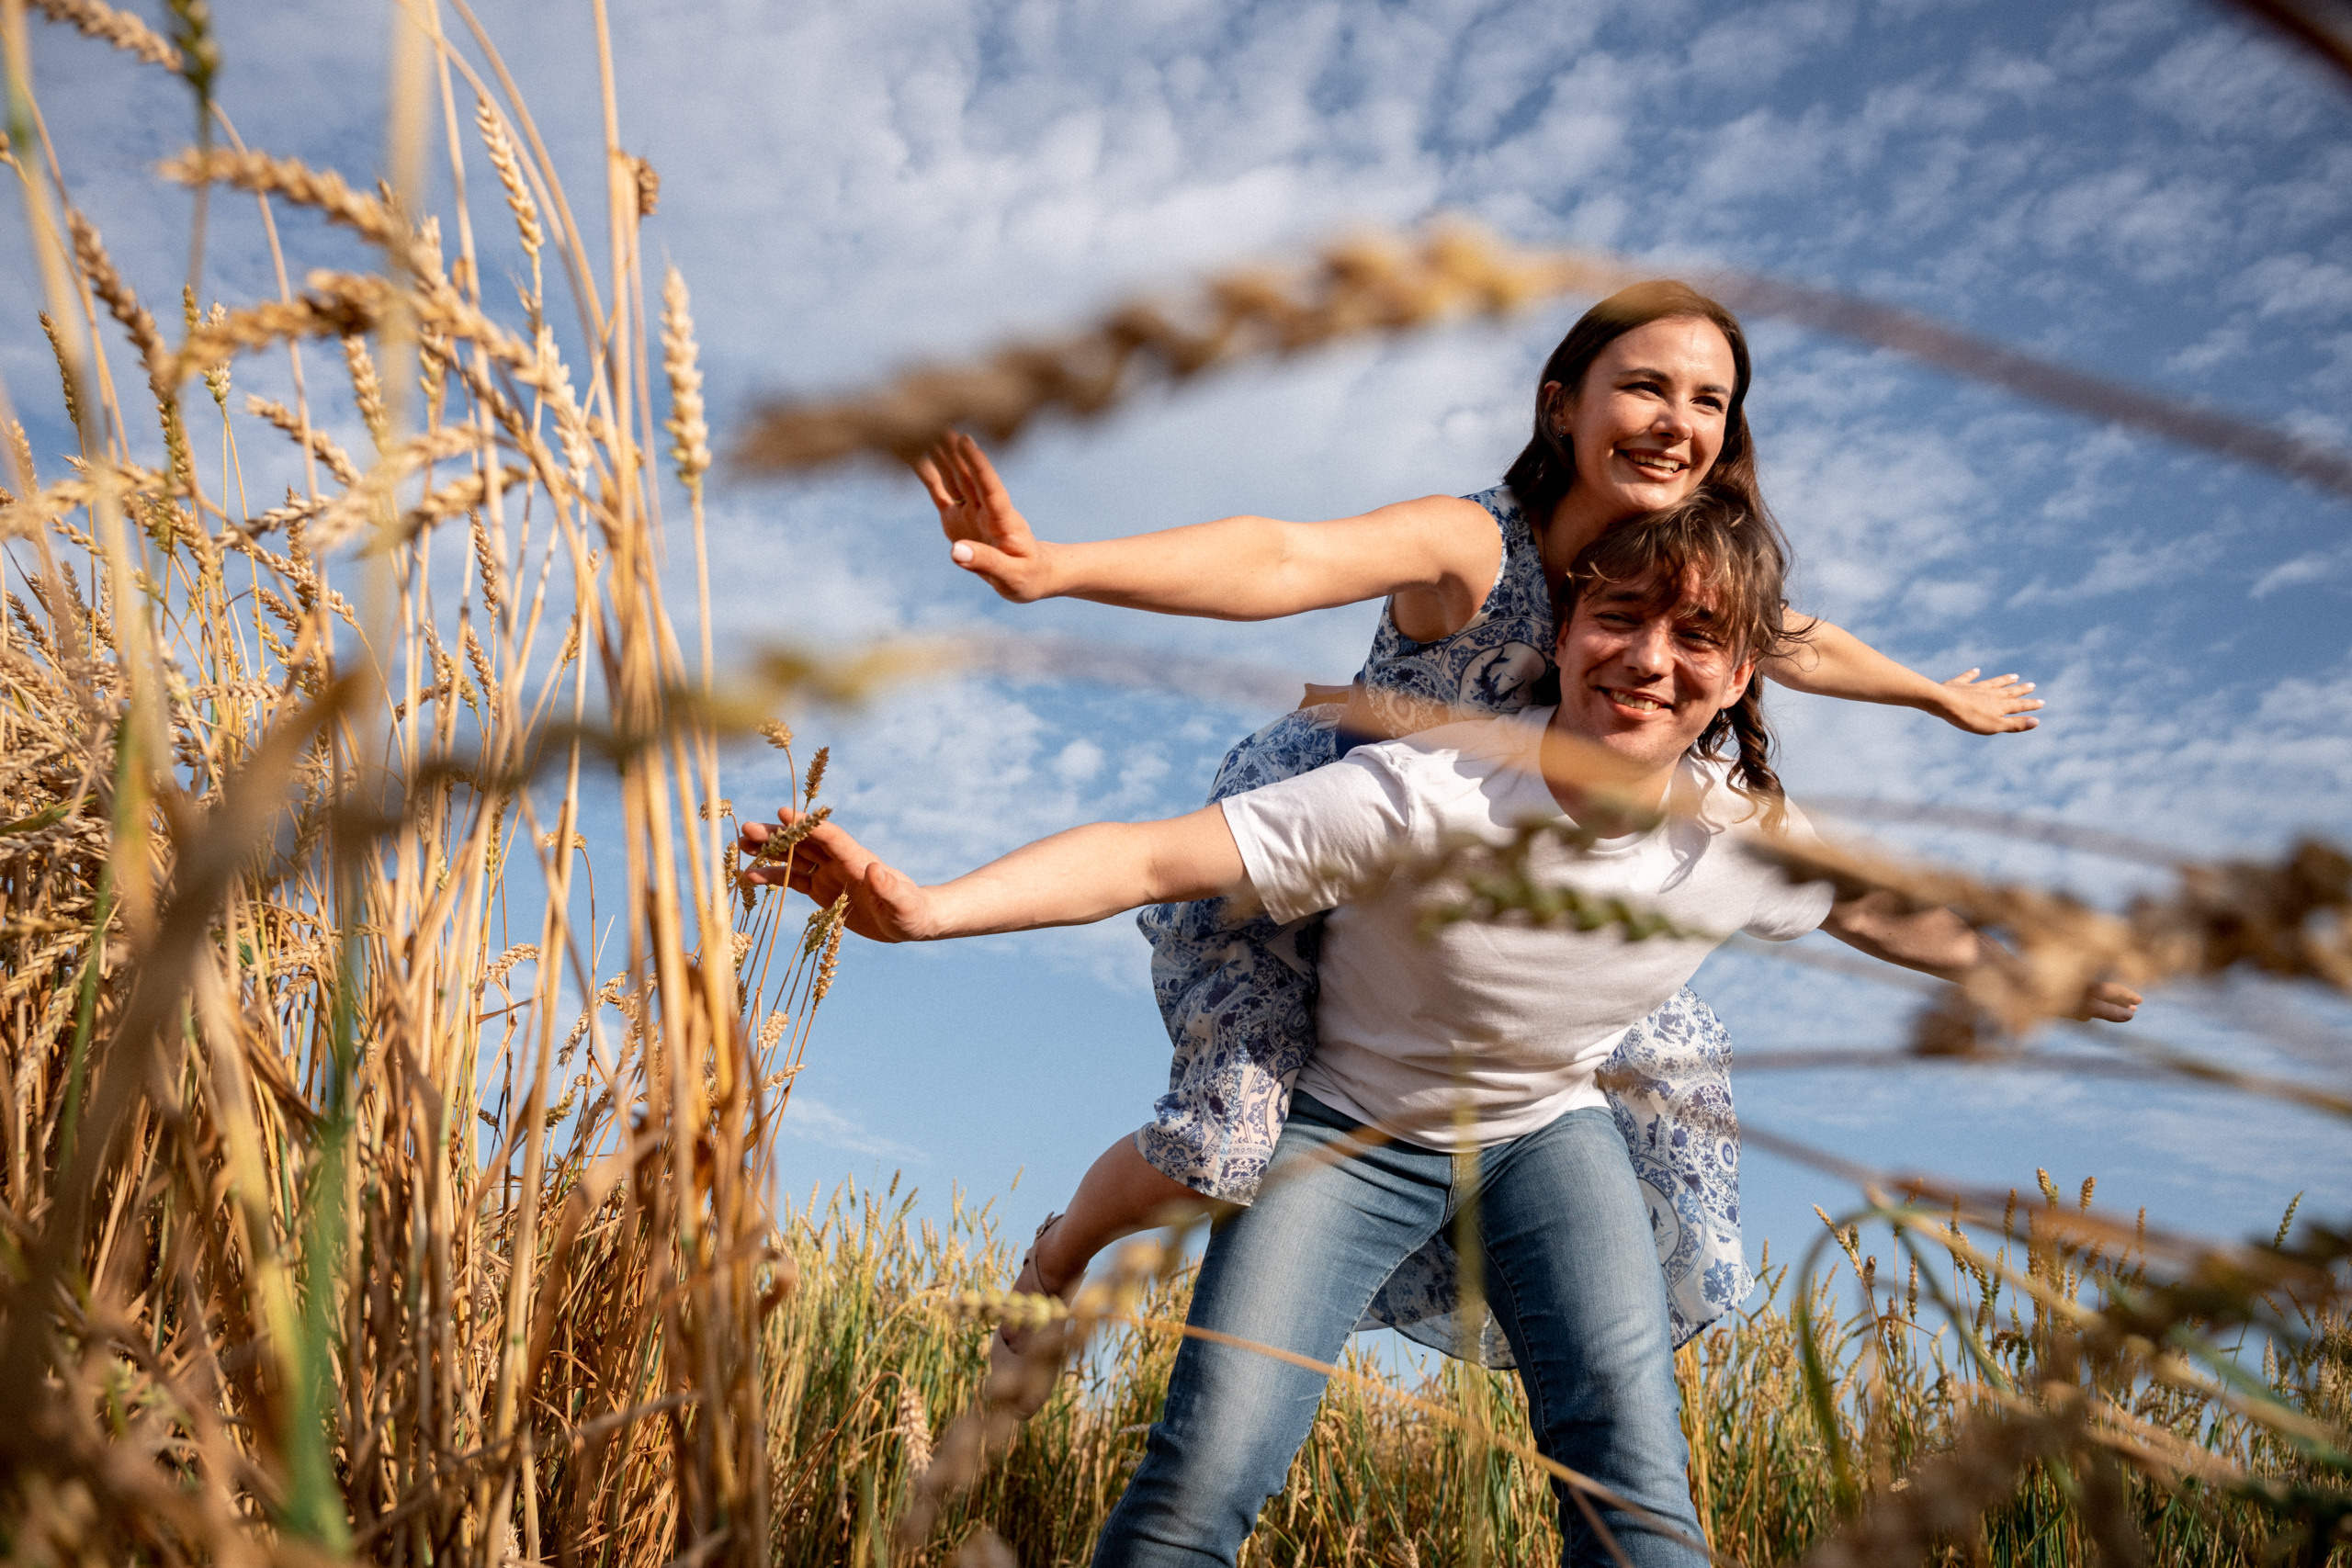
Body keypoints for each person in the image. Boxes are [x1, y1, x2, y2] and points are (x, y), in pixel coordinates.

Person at [741, 498, 2139, 1566]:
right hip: (1348, 1128)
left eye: (1696, 638)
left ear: (1737, 681)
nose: (1648, 659)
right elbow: (1156, 855)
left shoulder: (1740, 830)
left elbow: (1885, 917)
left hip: (1550, 1131)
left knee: (1633, 1475)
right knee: (1205, 1468)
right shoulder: (1436, 790)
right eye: (1622, 618)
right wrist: (925, 907)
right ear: (1573, 623)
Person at [912, 280, 2045, 1372]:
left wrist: (1931, 695)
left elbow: (1801, 639)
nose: (1676, 424)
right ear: (1562, 401)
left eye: (1709, 402)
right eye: (1644, 387)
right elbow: (1286, 555)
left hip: (1487, 900)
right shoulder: (1477, 542)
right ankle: (1063, 1253)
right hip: (1335, 844)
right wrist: (1060, 568)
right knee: (1225, 1143)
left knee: (1648, 1098)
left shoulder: (1674, 580)